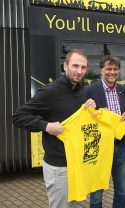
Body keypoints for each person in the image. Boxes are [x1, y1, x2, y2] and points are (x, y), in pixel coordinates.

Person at [12, 49, 96, 207]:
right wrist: (46, 126)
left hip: (79, 164)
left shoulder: (81, 92)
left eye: (83, 67)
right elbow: (18, 116)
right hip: (59, 167)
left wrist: (91, 109)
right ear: (65, 66)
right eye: (75, 66)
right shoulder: (50, 91)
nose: (79, 71)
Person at [83, 55, 125, 208]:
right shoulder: (89, 90)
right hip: (100, 148)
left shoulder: (123, 90)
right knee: (96, 193)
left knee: (121, 191)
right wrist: (92, 112)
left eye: (115, 69)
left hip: (120, 147)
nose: (112, 72)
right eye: (108, 69)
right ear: (101, 70)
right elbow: (83, 118)